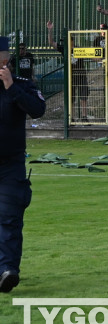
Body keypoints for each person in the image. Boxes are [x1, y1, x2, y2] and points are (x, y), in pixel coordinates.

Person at [0, 36, 46, 293]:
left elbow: (38, 110)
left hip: (10, 165)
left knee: (9, 219)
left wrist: (11, 88)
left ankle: (7, 271)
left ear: (6, 61)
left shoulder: (21, 85)